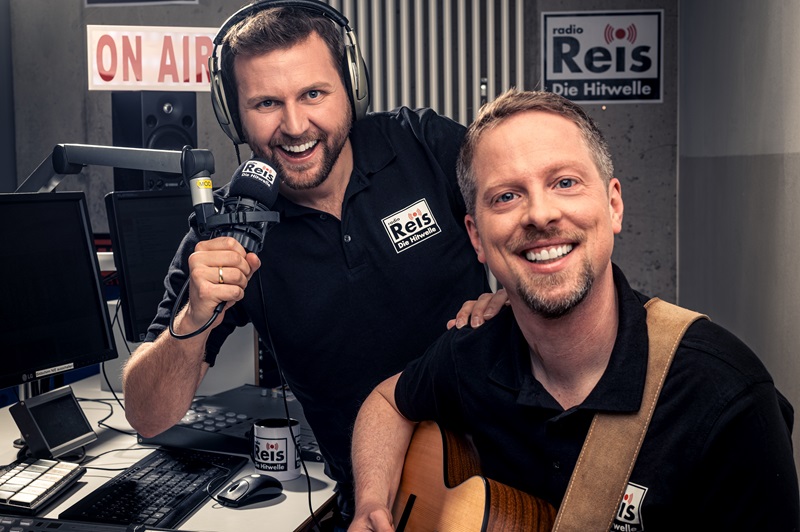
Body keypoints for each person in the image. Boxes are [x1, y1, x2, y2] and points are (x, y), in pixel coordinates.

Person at [121, 2, 505, 528]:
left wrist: (512, 292)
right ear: (233, 113)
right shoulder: (227, 229)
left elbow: (534, 219)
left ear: (351, 87)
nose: (295, 125)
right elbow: (147, 415)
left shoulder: (425, 144)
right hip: (379, 502)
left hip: (505, 468)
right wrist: (193, 317)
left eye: (313, 94)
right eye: (265, 103)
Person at [348, 88, 800, 531]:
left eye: (565, 182)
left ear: (613, 205)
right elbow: (387, 402)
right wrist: (371, 502)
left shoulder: (727, 397)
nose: (540, 215)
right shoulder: (472, 354)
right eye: (506, 196)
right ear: (476, 238)